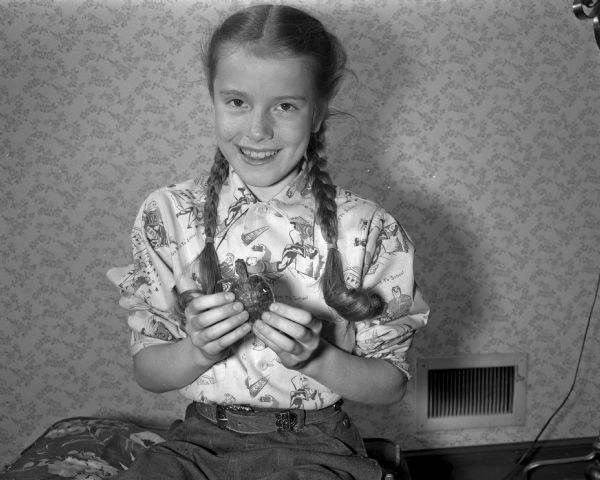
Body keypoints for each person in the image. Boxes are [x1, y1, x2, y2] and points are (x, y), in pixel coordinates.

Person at [107, 4, 429, 479]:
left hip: (319, 446)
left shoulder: (368, 229)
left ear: (318, 109)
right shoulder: (168, 215)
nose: (257, 130)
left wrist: (317, 357)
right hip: (199, 445)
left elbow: (389, 385)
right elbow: (148, 372)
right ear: (213, 97)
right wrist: (197, 350)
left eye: (285, 105)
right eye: (237, 101)